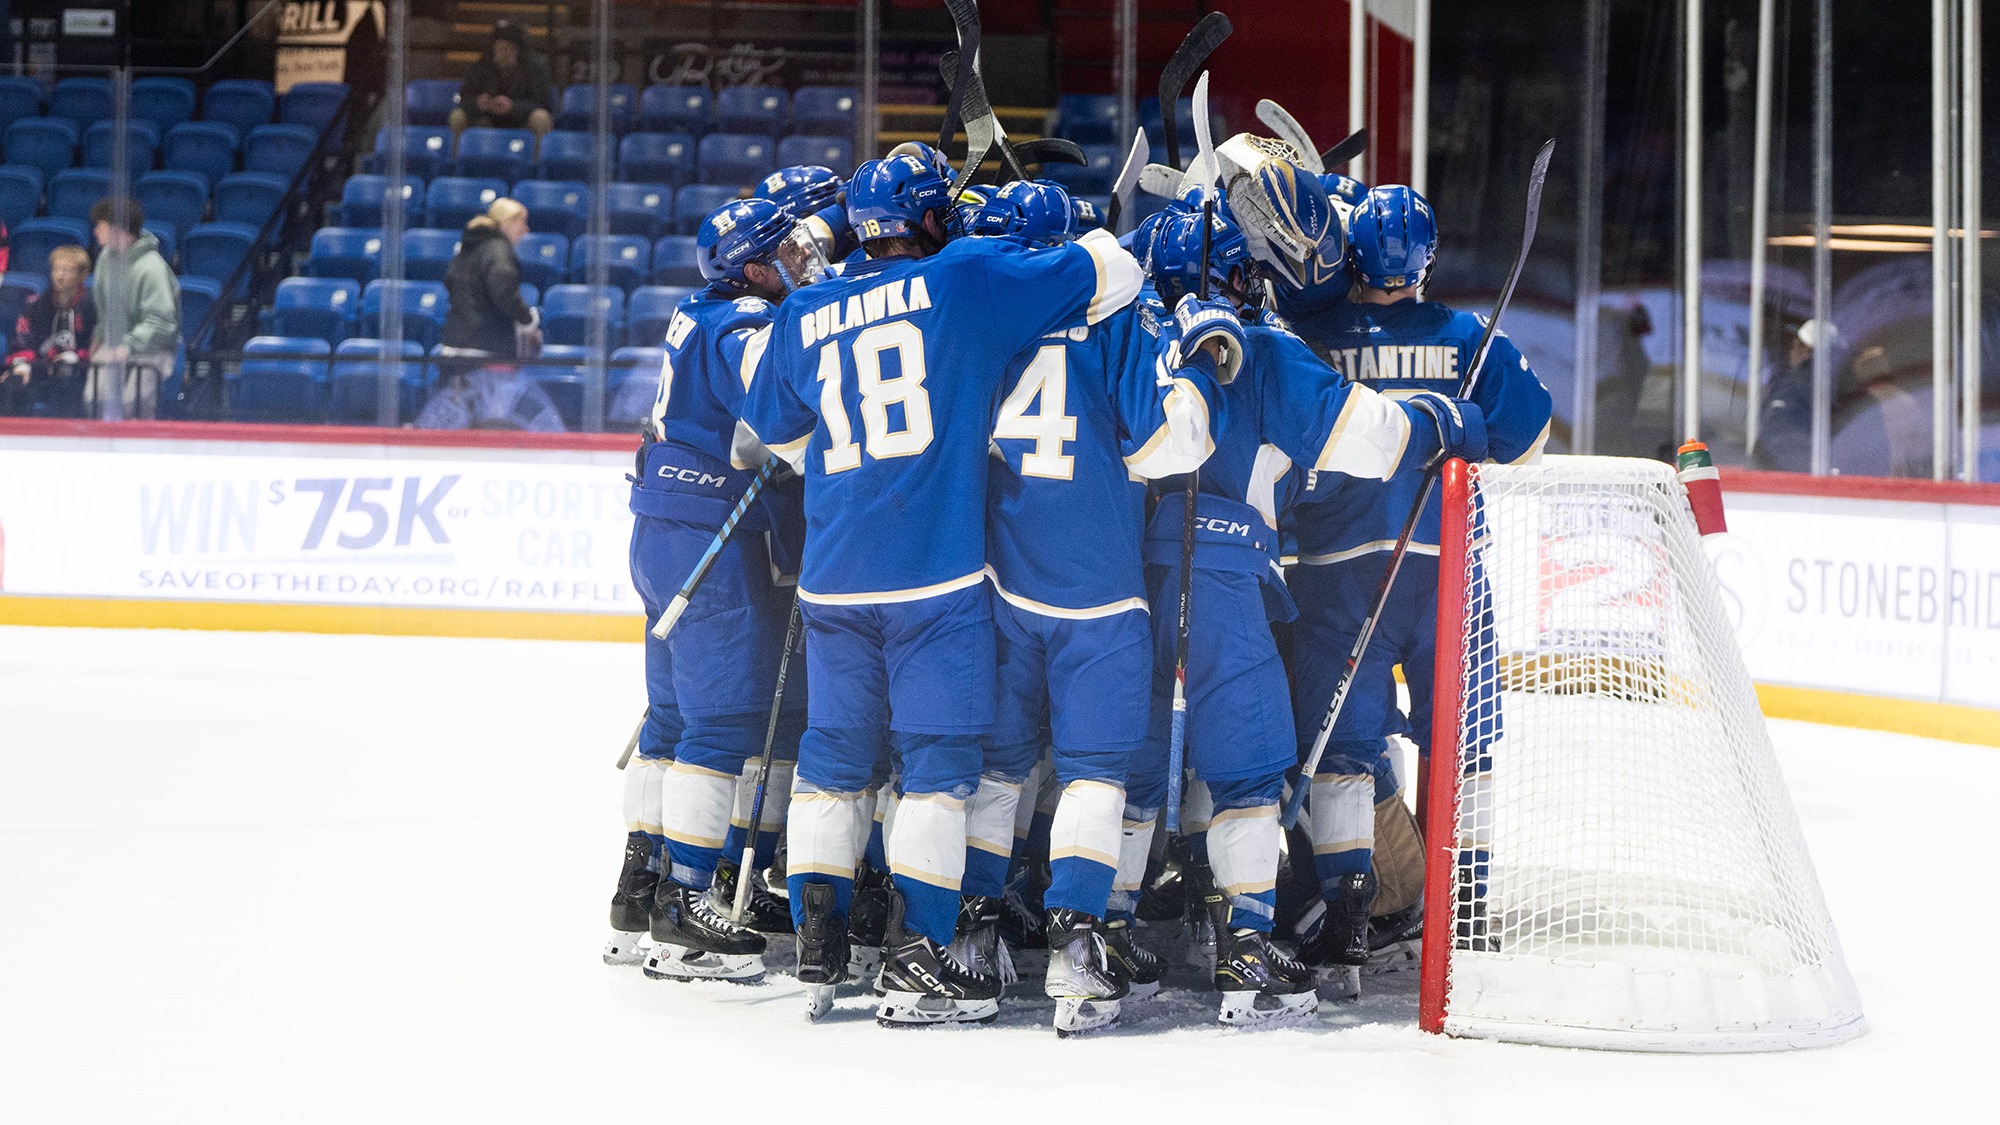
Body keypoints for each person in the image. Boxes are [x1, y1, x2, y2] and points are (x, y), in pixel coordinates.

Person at [739, 153, 1146, 1026]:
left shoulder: (808, 306)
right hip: (935, 577)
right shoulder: (965, 277)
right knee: (936, 769)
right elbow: (1114, 268)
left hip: (833, 575)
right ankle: (921, 954)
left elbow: (770, 427)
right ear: (931, 221)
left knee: (835, 757)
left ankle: (820, 942)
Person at [1127, 185, 1490, 1026]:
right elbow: (1376, 439)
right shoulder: (1265, 348)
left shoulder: (1122, 333)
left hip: (1122, 580)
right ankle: (1251, 940)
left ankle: (1100, 934)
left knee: (1125, 767)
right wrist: (1440, 418)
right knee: (1254, 771)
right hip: (1232, 574)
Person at [1277, 184, 1551, 982]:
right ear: (1426, 260)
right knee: (1460, 748)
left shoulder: (1307, 336)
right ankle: (1464, 912)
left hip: (1338, 577)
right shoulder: (1471, 337)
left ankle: (1350, 924)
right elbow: (1526, 443)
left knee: (1344, 757)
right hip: (1447, 572)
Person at [965, 179, 1221, 1034]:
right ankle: (1077, 948)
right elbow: (1169, 445)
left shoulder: (976, 317)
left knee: (997, 769)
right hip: (1100, 588)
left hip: (996, 579)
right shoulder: (1120, 317)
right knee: (1093, 771)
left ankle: (971, 939)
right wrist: (1194, 371)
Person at [603, 196, 827, 982]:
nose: (800, 263)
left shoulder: (697, 309)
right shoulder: (742, 322)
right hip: (709, 531)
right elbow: (773, 403)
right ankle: (686, 907)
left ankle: (642, 889)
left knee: (669, 717)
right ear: (755, 266)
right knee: (721, 722)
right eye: (787, 255)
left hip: (661, 523)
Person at [421, 198, 562, 430]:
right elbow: (504, 292)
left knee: (460, 420)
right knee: (485, 421)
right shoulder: (498, 249)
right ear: (507, 222)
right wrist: (529, 321)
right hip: (484, 349)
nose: (526, 230)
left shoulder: (469, 247)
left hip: (456, 344)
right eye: (522, 222)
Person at [88, 197, 179, 421]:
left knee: (133, 403)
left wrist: (128, 345)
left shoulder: (152, 268)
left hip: (152, 349)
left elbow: (161, 322)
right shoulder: (104, 260)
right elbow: (104, 309)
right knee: (94, 399)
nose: (95, 231)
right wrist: (99, 337)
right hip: (114, 344)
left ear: (116, 228)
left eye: (100, 225)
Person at [4, 243, 95, 417]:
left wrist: (76, 357)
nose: (59, 276)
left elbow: (95, 346)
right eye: (56, 269)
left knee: (68, 380)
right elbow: (22, 341)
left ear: (82, 275)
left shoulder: (92, 306)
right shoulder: (35, 304)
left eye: (67, 270)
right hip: (39, 368)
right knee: (14, 384)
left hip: (78, 373)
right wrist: (23, 365)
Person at [452, 21, 554, 137]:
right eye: (500, 48)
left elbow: (543, 103)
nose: (504, 53)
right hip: (486, 117)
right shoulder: (482, 64)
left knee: (541, 117)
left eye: (508, 48)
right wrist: (478, 103)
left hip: (521, 119)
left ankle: (539, 154)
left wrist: (513, 107)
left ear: (518, 50)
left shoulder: (535, 66)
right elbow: (464, 98)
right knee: (457, 116)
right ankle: (457, 155)